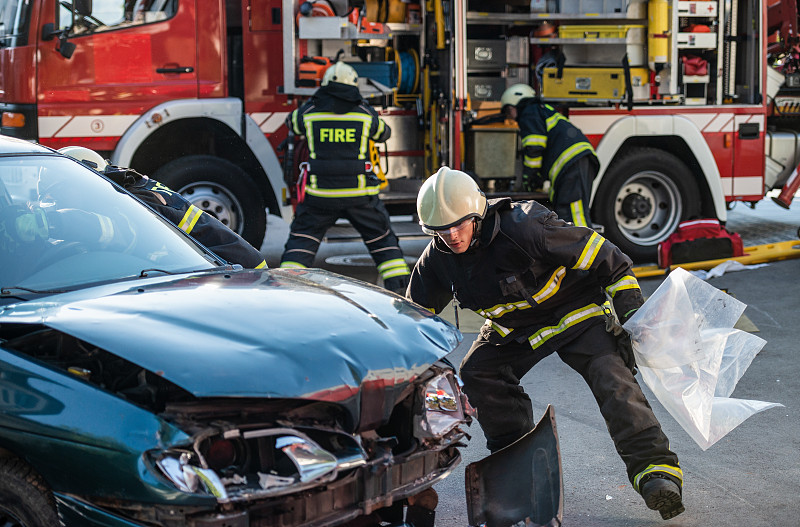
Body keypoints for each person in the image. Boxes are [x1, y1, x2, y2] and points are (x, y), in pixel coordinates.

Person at [406, 167, 685, 521]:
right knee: (478, 372)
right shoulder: (437, 261)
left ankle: (656, 472)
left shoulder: (526, 226)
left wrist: (633, 315)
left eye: (459, 225)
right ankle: (518, 468)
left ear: (477, 213)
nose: (452, 236)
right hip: (514, 330)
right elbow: (412, 318)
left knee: (610, 375)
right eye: (440, 230)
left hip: (575, 314)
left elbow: (608, 258)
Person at [279, 61, 411, 294]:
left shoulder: (310, 112)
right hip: (360, 196)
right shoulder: (364, 114)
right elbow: (384, 133)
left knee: (302, 241)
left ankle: (287, 287)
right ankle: (402, 291)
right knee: (382, 241)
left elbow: (292, 124)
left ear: (325, 84)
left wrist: (313, 102)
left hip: (320, 196)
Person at [58, 146, 267, 269]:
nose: (59, 197)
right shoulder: (130, 185)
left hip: (241, 270)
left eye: (64, 188)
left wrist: (63, 221)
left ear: (87, 179)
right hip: (229, 263)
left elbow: (125, 234)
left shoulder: (134, 198)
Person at [500, 83, 599, 228]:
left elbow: (534, 148)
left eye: (508, 112)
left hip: (572, 164)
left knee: (574, 215)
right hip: (575, 162)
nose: (511, 118)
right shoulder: (541, 110)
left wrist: (529, 178)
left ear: (513, 106)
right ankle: (574, 241)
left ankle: (585, 242)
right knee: (567, 211)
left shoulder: (529, 112)